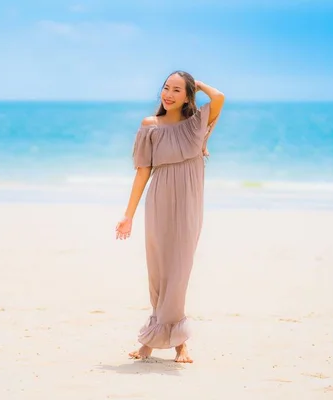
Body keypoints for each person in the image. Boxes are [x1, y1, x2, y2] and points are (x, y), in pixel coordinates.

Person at [115, 70, 225, 363]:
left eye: (178, 90)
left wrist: (197, 84)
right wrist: (129, 215)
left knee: (179, 270)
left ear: (188, 95)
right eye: (166, 88)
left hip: (190, 202)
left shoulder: (195, 124)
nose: (169, 94)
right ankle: (164, 341)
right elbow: (142, 172)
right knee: (160, 271)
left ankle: (172, 343)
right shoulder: (150, 126)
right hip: (159, 199)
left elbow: (219, 98)